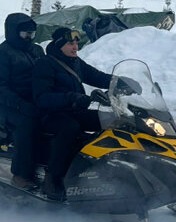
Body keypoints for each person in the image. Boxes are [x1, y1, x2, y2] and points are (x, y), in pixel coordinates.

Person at [32, 26, 114, 201]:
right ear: (60, 44)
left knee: (111, 120)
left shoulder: (75, 61)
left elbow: (96, 76)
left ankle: (113, 170)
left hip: (75, 111)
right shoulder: (45, 64)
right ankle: (52, 178)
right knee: (70, 127)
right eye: (70, 43)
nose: (75, 46)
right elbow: (42, 98)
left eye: (76, 42)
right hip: (50, 115)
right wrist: (72, 98)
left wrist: (118, 81)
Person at [0, 12, 44, 190]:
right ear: (13, 32)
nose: (29, 38)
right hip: (11, 106)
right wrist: (20, 104)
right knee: (27, 124)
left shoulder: (36, 50)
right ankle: (21, 174)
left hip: (36, 100)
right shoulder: (1, 54)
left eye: (32, 34)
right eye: (25, 34)